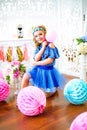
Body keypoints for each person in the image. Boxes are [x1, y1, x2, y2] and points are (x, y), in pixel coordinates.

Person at [21, 25, 66, 97]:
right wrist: (43, 47)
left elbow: (50, 60)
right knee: (25, 77)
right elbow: (36, 58)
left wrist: (36, 63)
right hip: (38, 69)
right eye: (36, 36)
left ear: (45, 34)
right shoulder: (39, 47)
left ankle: (52, 91)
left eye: (40, 34)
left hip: (47, 71)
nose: (38, 37)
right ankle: (23, 96)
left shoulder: (51, 45)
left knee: (44, 95)